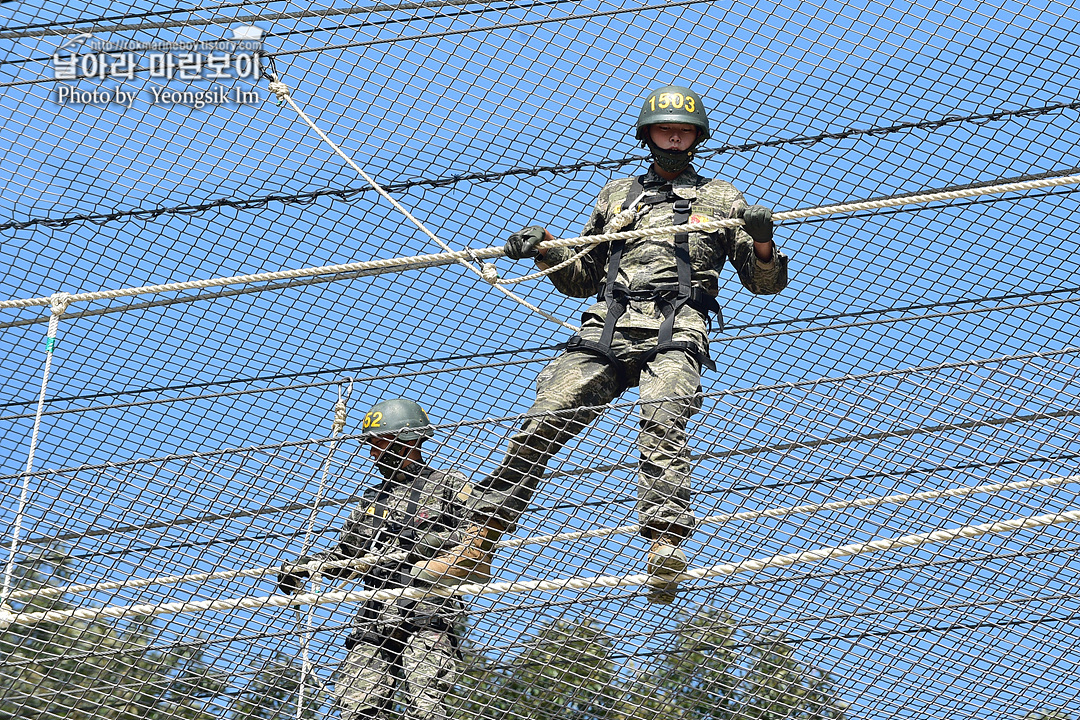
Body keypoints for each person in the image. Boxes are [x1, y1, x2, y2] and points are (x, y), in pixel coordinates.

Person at [414, 85, 789, 602]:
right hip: (606, 325)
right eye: (665, 129)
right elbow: (581, 276)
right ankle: (479, 541)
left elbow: (762, 282)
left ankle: (665, 543)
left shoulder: (721, 199)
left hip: (676, 325)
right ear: (648, 135)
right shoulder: (619, 196)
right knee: (542, 420)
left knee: (663, 418)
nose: (674, 137)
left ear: (697, 137)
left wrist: (763, 240)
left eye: (683, 130)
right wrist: (545, 248)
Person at [278, 398, 469, 720]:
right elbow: (347, 556)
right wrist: (307, 567)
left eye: (379, 443)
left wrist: (423, 544)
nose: (373, 453)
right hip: (375, 613)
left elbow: (476, 532)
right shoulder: (371, 501)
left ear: (406, 440)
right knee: (357, 705)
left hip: (428, 605)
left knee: (425, 703)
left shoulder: (447, 484)